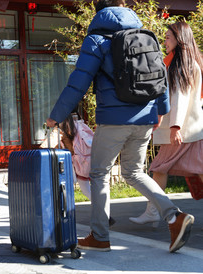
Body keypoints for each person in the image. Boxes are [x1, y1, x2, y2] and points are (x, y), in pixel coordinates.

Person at [46, 0, 194, 253]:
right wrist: (161, 110)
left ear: (98, 12)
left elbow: (78, 83)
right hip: (146, 117)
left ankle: (100, 236)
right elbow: (158, 77)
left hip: (115, 119)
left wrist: (56, 116)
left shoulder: (96, 41)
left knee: (99, 174)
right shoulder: (146, 37)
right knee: (134, 172)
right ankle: (173, 216)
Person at [129, 22, 203, 225]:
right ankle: (153, 211)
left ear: (180, 39)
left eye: (168, 37)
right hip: (193, 128)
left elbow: (181, 96)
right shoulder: (189, 63)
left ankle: (153, 211)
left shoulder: (180, 65)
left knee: (159, 168)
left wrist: (175, 127)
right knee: (195, 169)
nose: (165, 41)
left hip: (183, 130)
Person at [59, 112, 116, 226]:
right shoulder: (81, 125)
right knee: (99, 189)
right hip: (92, 158)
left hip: (80, 163)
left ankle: (104, 215)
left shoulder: (66, 130)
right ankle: (105, 214)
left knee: (86, 191)